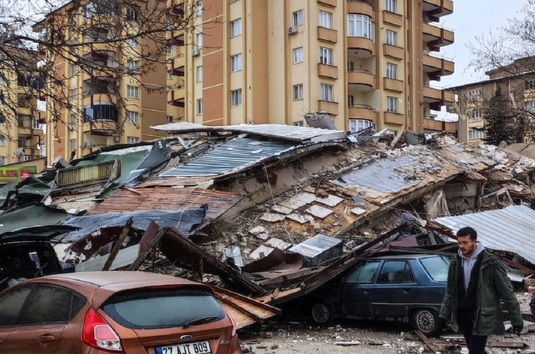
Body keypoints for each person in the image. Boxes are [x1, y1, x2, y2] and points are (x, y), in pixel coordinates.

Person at [439, 226, 523, 354]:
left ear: (474, 242)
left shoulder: (490, 263)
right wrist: (443, 315)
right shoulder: (455, 262)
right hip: (462, 314)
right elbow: (450, 291)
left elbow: (507, 292)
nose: (461, 246)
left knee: (475, 350)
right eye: (459, 243)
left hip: (482, 316)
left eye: (465, 242)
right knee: (475, 349)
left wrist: (516, 320)